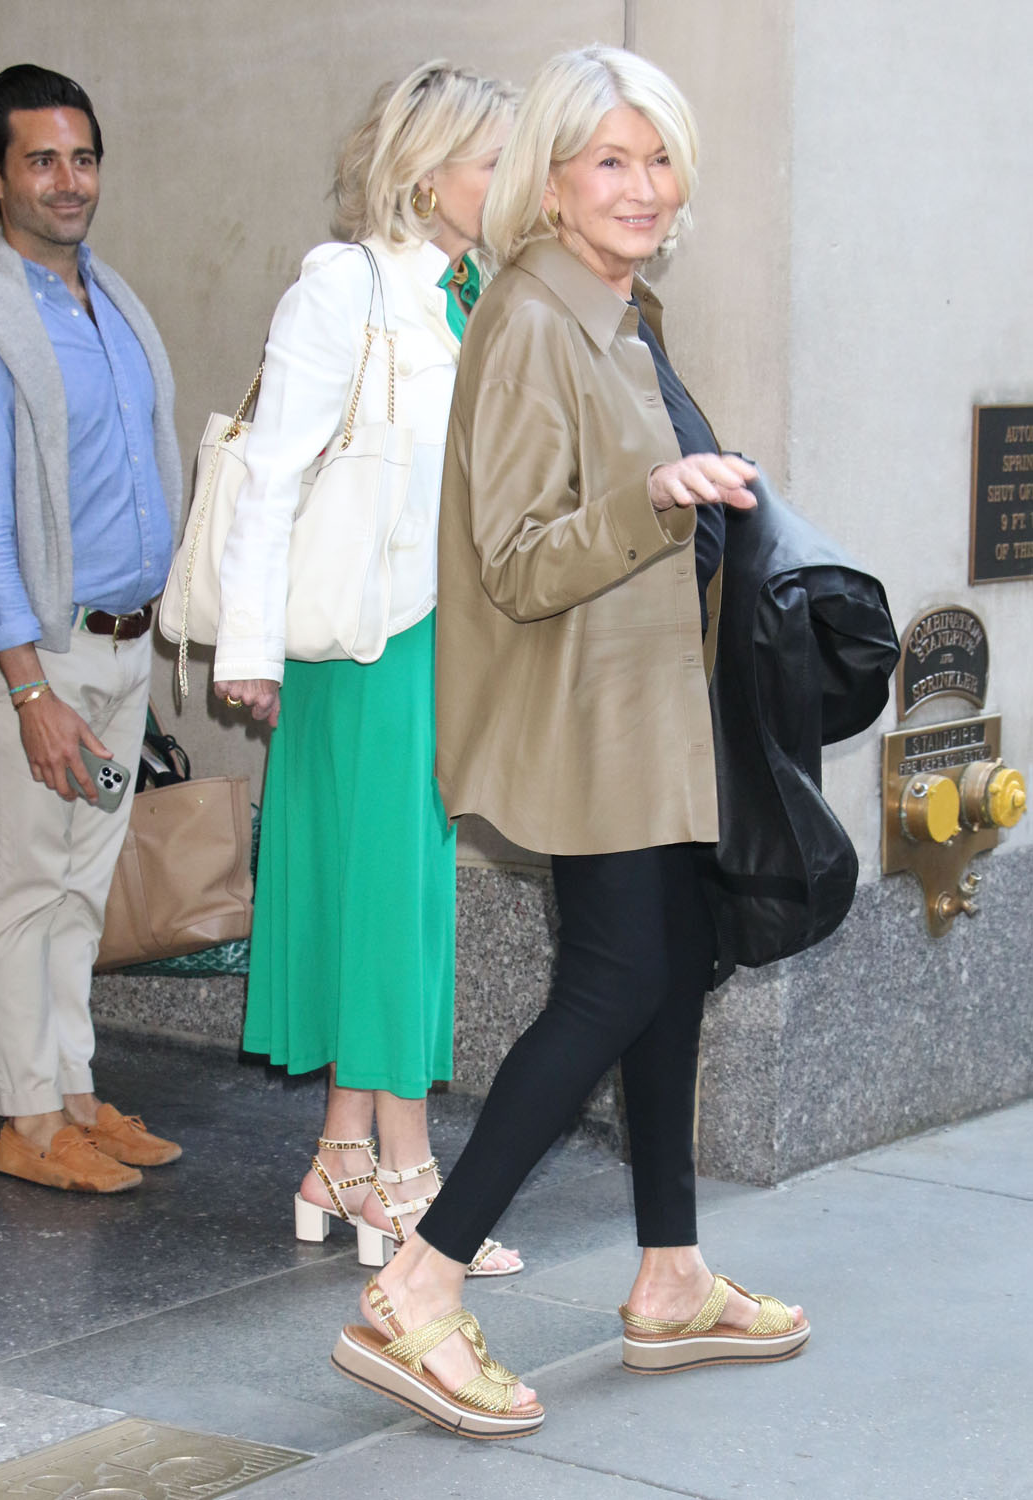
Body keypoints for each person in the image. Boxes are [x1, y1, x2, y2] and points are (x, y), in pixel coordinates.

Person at [330, 45, 810, 1440]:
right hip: (590, 720)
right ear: (548, 180)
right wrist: (656, 495)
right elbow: (519, 557)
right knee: (614, 984)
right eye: (610, 159)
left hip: (651, 713)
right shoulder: (534, 316)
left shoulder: (615, 307)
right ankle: (420, 1285)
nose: (643, 186)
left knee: (670, 970)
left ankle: (670, 1276)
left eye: (659, 160)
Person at [214, 63, 519, 1276]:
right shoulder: (346, 285)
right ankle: (409, 1179)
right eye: (495, 160)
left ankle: (342, 1156)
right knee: (393, 903)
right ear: (429, 169)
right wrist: (249, 647)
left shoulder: (474, 291)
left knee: (393, 897)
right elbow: (271, 473)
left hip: (442, 636)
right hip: (366, 640)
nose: (514, 181)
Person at [0, 65, 183, 1192]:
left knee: (84, 886)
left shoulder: (112, 305)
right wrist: (29, 691)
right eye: (41, 160)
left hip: (122, 652)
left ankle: (76, 1093)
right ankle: (28, 1118)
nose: (69, 180)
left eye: (82, 157)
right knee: (25, 889)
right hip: (39, 663)